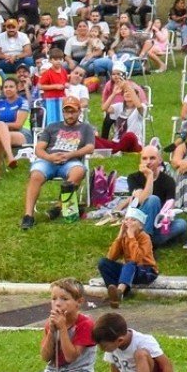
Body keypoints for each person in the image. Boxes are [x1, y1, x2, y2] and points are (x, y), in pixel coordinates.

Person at [19, 97, 93, 230]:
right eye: (66, 112)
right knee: (35, 175)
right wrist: (50, 157)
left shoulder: (85, 128)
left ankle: (59, 206)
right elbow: (39, 149)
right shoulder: (52, 126)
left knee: (79, 171)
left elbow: (90, 148)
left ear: (79, 112)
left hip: (70, 161)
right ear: (62, 112)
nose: (69, 115)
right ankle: (28, 215)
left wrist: (69, 155)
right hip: (48, 160)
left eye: (73, 112)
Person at [96, 208, 158, 306]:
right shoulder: (125, 237)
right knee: (103, 263)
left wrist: (131, 236)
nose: (128, 222)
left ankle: (119, 292)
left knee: (130, 264)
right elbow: (111, 257)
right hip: (130, 270)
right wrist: (119, 237)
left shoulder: (145, 237)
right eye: (126, 219)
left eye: (133, 220)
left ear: (141, 226)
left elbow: (137, 259)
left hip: (146, 271)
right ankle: (114, 294)